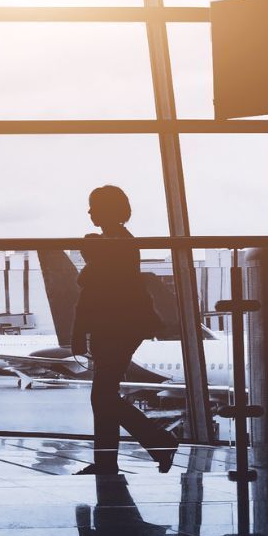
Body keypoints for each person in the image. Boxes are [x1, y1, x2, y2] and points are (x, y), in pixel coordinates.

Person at [74, 185, 179, 474]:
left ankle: (157, 441)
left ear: (106, 209)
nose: (90, 211)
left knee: (102, 395)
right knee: (104, 394)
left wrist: (91, 249)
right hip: (119, 326)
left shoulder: (114, 243)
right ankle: (109, 459)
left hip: (116, 327)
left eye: (93, 205)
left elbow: (89, 282)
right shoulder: (120, 241)